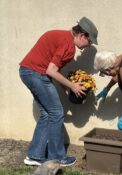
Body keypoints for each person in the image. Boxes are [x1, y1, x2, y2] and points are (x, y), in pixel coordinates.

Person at [19, 17, 98, 167]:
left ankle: (34, 155)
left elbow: (55, 71)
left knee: (47, 114)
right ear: (82, 35)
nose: (88, 46)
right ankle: (57, 157)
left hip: (27, 71)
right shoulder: (68, 44)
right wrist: (73, 86)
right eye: (90, 42)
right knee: (56, 113)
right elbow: (51, 70)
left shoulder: (61, 36)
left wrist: (67, 87)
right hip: (37, 74)